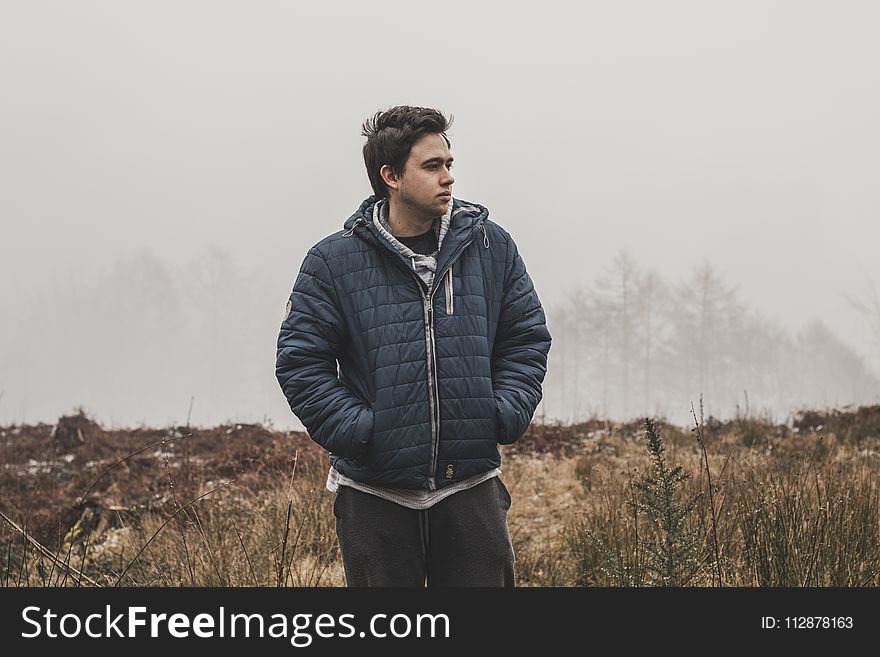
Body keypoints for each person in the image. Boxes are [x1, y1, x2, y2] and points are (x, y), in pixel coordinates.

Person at [275, 105, 551, 587]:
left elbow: (525, 338)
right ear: (391, 176)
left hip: (470, 486)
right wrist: (362, 432)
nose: (448, 177)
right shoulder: (333, 262)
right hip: (375, 497)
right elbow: (302, 364)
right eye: (432, 166)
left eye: (449, 164)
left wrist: (501, 412)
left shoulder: (491, 246)